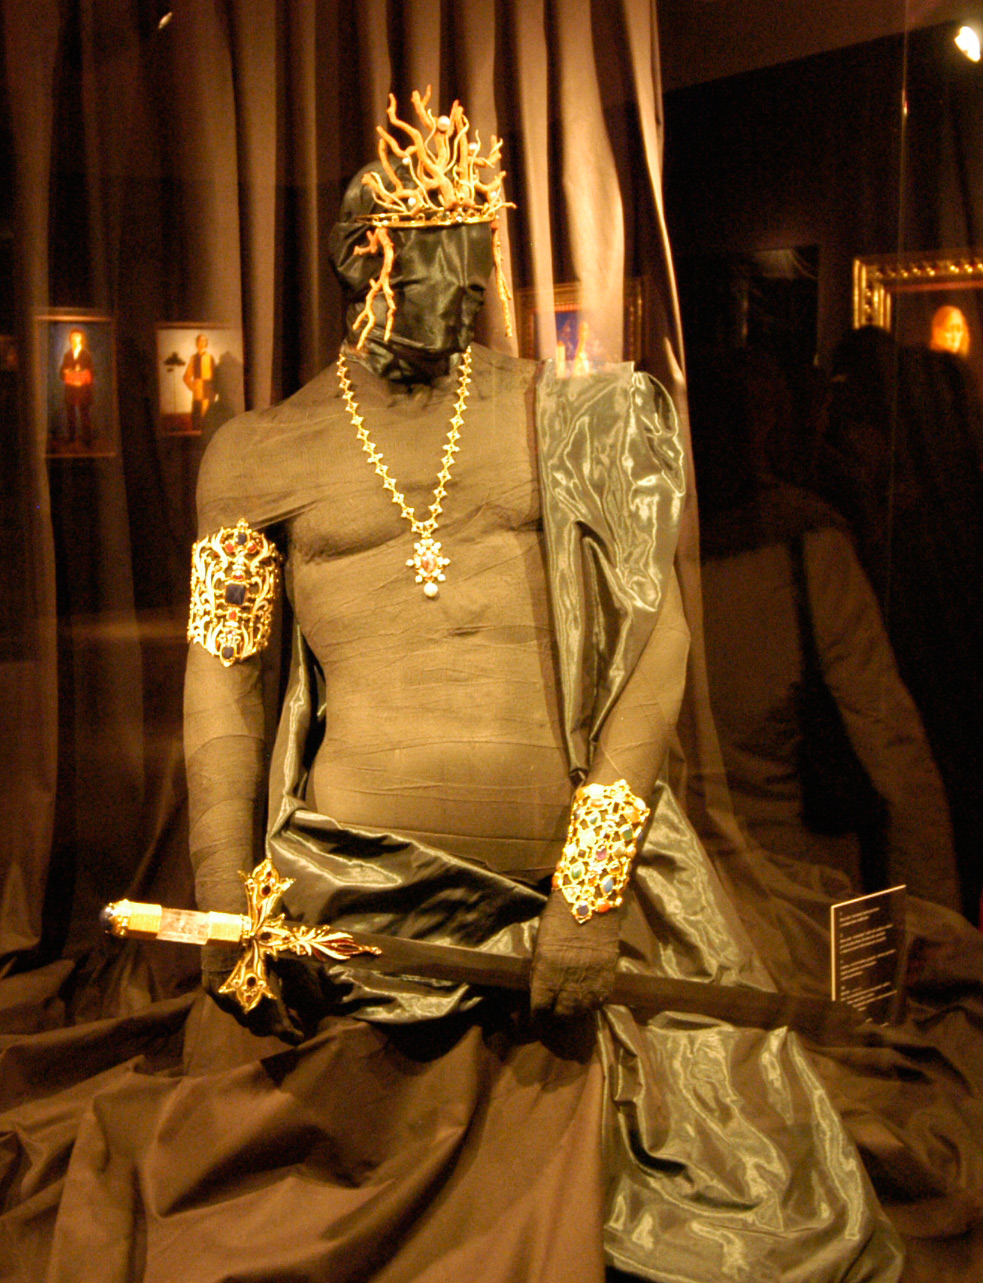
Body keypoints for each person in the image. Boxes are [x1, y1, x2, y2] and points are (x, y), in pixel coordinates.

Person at [180, 92, 901, 1280]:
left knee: (755, 1214)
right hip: (354, 907)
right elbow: (224, 673)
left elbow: (653, 646)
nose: (470, 285)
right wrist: (222, 889)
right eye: (441, 258)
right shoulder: (256, 455)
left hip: (567, 888)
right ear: (363, 258)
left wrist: (590, 886)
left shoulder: (579, 417)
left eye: (480, 257)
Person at [59, 326, 94, 447]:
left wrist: (82, 375)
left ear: (81, 338)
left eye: (77, 336)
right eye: (73, 337)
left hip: (83, 390)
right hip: (71, 390)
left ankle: (87, 440)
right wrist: (67, 372)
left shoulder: (86, 355)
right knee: (70, 415)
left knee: (85, 415)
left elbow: (92, 372)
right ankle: (72, 438)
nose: (75, 339)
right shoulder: (67, 355)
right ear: (70, 339)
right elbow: (61, 373)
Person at [183, 332, 216, 431]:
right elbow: (186, 377)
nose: (203, 342)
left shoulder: (210, 357)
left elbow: (215, 376)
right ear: (197, 343)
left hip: (208, 391)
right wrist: (193, 387)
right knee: (197, 419)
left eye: (205, 340)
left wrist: (213, 391)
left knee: (208, 418)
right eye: (201, 340)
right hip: (198, 392)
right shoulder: (193, 358)